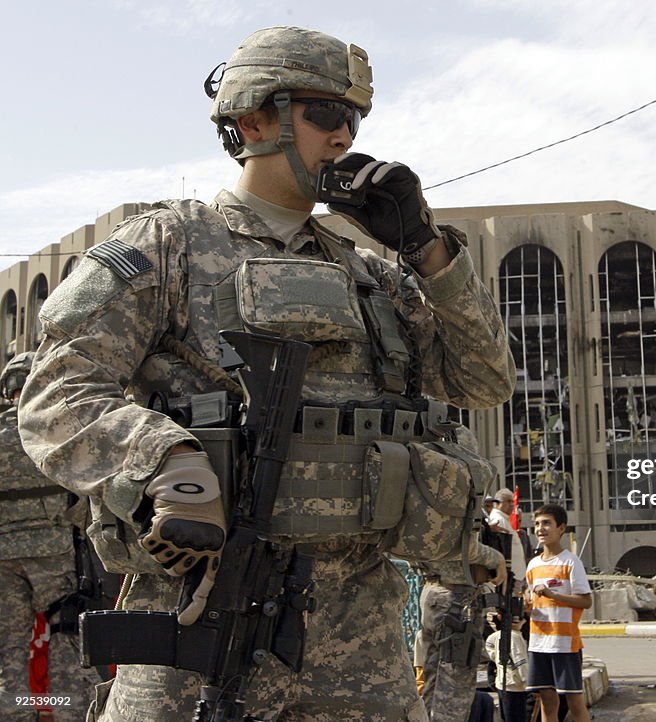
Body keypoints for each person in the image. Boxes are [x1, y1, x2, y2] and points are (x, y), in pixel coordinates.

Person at [18, 25, 514, 722]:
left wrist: (427, 249)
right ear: (253, 119)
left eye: (354, 120)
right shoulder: (167, 247)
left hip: (360, 631)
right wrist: (165, 457)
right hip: (200, 608)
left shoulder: (372, 274)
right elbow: (56, 394)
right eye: (325, 114)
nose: (344, 137)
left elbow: (484, 381)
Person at [0, 353, 99, 721]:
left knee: (10, 649)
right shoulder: (54, 435)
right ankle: (70, 714)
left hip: (2, 560)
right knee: (64, 640)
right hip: (55, 555)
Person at [418, 540, 506, 721]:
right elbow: (460, 544)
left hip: (435, 592)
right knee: (454, 691)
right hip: (456, 599)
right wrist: (496, 558)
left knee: (433, 687)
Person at [524, 503, 592, 722]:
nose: (540, 529)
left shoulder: (571, 562)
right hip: (538, 643)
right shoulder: (532, 565)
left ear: (561, 528)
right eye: (536, 524)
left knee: (574, 702)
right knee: (546, 701)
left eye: (546, 523)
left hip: (565, 644)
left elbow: (586, 601)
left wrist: (553, 595)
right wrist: (527, 606)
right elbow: (533, 601)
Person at [484, 612, 530, 722]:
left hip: (502, 683)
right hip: (515, 686)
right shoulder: (515, 637)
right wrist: (528, 684)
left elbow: (489, 646)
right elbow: (521, 662)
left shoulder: (497, 635)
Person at [488, 488, 528, 587]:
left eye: (512, 501)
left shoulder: (504, 519)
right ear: (497, 504)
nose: (511, 505)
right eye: (508, 501)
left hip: (514, 576)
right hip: (508, 577)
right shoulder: (498, 520)